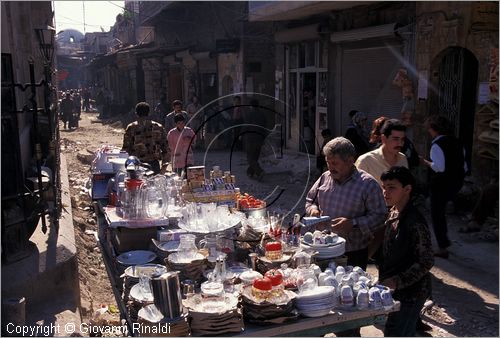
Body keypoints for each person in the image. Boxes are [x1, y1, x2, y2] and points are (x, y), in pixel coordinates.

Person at [306, 137, 387, 269]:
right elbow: (310, 200)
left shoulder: (368, 184)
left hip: (352, 253)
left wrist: (353, 223)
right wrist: (313, 210)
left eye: (335, 163)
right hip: (322, 249)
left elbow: (380, 216)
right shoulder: (324, 177)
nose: (330, 167)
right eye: (328, 162)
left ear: (350, 161)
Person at [379, 166, 434, 337]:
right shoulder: (394, 211)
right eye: (384, 187)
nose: (386, 192)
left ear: (407, 189)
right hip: (396, 291)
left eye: (392, 187)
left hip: (411, 292)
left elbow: (426, 261)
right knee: (392, 330)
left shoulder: (414, 221)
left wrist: (396, 281)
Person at [421, 115, 467, 258]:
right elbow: (464, 166)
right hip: (456, 183)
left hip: (440, 185)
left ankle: (442, 247)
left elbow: (439, 167)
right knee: (442, 212)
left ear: (434, 129)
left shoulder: (437, 145)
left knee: (437, 215)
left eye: (429, 129)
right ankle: (444, 242)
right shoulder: (458, 142)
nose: (429, 131)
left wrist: (426, 162)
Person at [355, 119, 409, 187]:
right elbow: (356, 191)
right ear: (383, 139)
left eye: (402, 139)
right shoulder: (365, 161)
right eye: (395, 139)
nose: (400, 143)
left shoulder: (403, 159)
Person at [122, 102, 169, 175]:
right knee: (154, 185)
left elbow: (125, 149)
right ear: (149, 113)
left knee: (138, 186)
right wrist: (164, 167)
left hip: (137, 165)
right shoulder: (159, 127)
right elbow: (166, 148)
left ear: (136, 113)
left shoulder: (131, 128)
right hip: (154, 165)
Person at [243, 99, 268, 180]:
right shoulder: (262, 114)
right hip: (259, 138)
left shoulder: (249, 114)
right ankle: (250, 172)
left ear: (251, 106)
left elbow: (246, 126)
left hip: (250, 138)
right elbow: (264, 127)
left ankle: (260, 171)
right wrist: (264, 138)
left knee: (250, 157)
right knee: (255, 156)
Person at [167, 113, 196, 178]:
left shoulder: (189, 131)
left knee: (189, 177)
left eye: (182, 123)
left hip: (188, 158)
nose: (181, 125)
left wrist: (189, 139)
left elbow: (194, 141)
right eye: (179, 123)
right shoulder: (171, 133)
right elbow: (169, 146)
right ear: (175, 124)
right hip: (177, 159)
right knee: (178, 177)